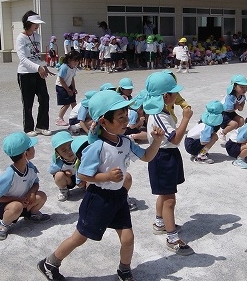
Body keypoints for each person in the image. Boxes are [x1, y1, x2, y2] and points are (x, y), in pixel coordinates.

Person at [37, 90, 165, 281]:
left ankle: (124, 270)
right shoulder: (96, 147)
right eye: (120, 118)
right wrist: (106, 176)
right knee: (80, 237)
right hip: (98, 199)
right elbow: (83, 175)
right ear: (104, 122)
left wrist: (156, 141)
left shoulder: (125, 142)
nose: (125, 122)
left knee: (128, 238)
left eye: (126, 117)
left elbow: (147, 156)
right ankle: (50, 262)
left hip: (118, 197)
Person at [142, 71, 195, 256]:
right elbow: (175, 139)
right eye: (174, 92)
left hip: (166, 156)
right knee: (170, 199)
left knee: (164, 195)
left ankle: (160, 223)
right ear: (166, 96)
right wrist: (186, 118)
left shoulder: (162, 111)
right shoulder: (159, 116)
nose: (177, 96)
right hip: (162, 158)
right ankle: (172, 238)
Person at [0, 132, 50, 240]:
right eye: (32, 147)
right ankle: (3, 224)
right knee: (16, 206)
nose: (34, 149)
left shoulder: (30, 167)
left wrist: (31, 193)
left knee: (41, 196)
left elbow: (36, 183)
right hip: (7, 206)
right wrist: (17, 199)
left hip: (24, 201)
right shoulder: (9, 175)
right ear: (26, 154)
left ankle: (32, 214)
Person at [16, 10, 55, 137]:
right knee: (28, 102)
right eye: (35, 23)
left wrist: (44, 66)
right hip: (25, 74)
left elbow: (36, 55)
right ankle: (28, 128)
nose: (37, 26)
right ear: (28, 23)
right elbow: (22, 58)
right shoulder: (21, 38)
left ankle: (41, 126)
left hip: (38, 72)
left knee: (44, 98)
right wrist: (38, 67)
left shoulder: (36, 36)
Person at [49, 131, 83, 202]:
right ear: (58, 153)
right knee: (58, 175)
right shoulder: (59, 162)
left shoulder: (80, 155)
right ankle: (64, 190)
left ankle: (88, 188)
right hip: (69, 180)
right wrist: (63, 172)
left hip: (81, 178)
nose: (69, 151)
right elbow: (52, 171)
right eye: (64, 150)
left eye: (70, 147)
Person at [218, 74, 247, 145]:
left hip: (230, 112)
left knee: (241, 120)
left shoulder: (242, 97)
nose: (244, 89)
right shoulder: (230, 96)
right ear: (234, 87)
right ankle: (222, 133)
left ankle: (236, 135)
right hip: (222, 113)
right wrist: (236, 107)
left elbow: (241, 109)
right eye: (242, 87)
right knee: (234, 124)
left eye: (246, 87)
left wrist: (237, 106)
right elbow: (227, 109)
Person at [55, 50, 81, 126]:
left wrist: (73, 88)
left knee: (73, 102)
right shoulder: (64, 67)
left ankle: (77, 116)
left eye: (78, 61)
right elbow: (61, 79)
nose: (76, 63)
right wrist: (68, 89)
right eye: (75, 61)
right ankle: (59, 118)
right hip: (61, 86)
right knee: (66, 104)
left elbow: (72, 78)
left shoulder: (73, 68)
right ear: (69, 60)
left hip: (68, 85)